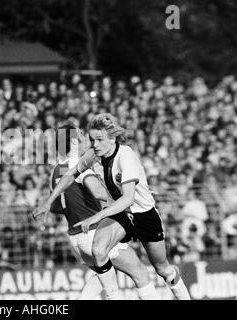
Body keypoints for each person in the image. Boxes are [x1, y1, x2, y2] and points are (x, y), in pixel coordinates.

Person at [33, 114, 190, 300]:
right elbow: (70, 175)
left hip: (143, 214)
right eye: (92, 140)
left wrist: (97, 217)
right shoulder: (92, 155)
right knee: (99, 250)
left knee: (163, 269)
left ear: (112, 138)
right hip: (121, 214)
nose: (95, 145)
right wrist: (48, 201)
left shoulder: (126, 155)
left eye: (99, 140)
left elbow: (129, 198)